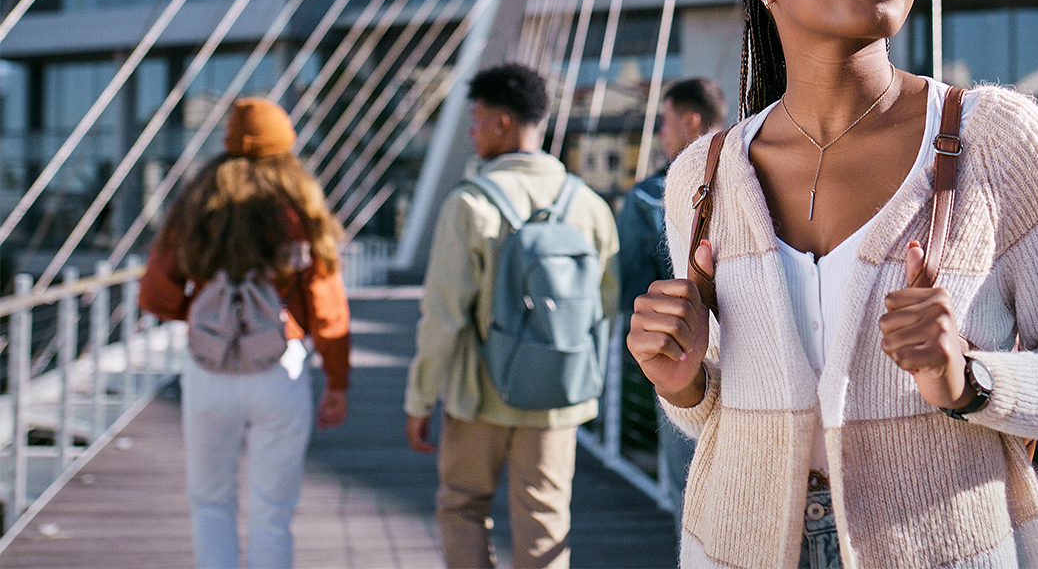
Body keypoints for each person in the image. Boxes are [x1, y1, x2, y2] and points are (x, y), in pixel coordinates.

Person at [626, 0, 1038, 569]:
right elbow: (716, 409)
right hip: (735, 545)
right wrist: (679, 379)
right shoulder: (704, 173)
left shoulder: (1000, 138)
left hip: (942, 548)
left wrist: (968, 380)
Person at [404, 63, 619, 569]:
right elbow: (604, 308)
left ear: (503, 122)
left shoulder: (469, 206)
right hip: (556, 400)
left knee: (462, 507)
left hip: (479, 395)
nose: (472, 131)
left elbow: (443, 317)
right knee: (545, 523)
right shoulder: (588, 207)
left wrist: (419, 397)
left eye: (476, 120)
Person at [139, 98, 351, 569]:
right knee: (272, 511)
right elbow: (327, 306)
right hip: (281, 368)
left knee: (210, 501)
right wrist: (337, 381)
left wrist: (203, 314)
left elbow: (155, 292)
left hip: (207, 371)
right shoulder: (300, 206)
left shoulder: (198, 200)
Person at [616, 78, 725, 535]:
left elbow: (631, 292)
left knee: (691, 504)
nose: (660, 132)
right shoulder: (758, 173)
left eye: (664, 121)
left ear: (691, 121)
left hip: (688, 367)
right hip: (763, 372)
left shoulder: (648, 197)